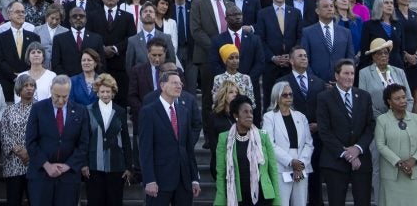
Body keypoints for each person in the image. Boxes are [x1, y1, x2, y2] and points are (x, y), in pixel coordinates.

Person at [136, 66, 200, 206]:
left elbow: (188, 148)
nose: (179, 86)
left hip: (183, 180)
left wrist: (194, 178)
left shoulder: (184, 111)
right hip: (159, 180)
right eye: (174, 83)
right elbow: (145, 149)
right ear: (162, 85)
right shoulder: (149, 112)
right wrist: (149, 179)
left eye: (180, 83)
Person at [313, 60, 374, 206]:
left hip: (361, 162)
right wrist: (348, 154)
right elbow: (324, 130)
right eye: (346, 73)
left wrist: (358, 149)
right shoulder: (324, 98)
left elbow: (370, 126)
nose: (350, 77)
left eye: (352, 73)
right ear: (337, 76)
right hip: (335, 162)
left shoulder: (364, 96)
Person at [25, 76, 88, 206]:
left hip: (69, 178)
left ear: (69, 93)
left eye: (64, 96)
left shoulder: (80, 111)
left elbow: (84, 143)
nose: (60, 100)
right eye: (57, 96)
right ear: (51, 90)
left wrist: (67, 166)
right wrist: (46, 165)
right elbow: (31, 141)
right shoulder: (38, 108)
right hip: (41, 175)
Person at [214, 94, 278, 206]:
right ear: (235, 115)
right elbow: (221, 173)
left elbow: (273, 170)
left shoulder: (263, 136)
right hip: (238, 197)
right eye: (245, 112)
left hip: (263, 197)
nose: (250, 115)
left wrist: (277, 201)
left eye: (251, 112)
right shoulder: (224, 138)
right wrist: (220, 200)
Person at [374, 83, 417, 206]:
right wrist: (400, 163)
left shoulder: (416, 119)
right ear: (389, 102)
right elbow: (381, 145)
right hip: (391, 175)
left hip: (413, 173)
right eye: (397, 98)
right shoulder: (382, 120)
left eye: (403, 97)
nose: (402, 101)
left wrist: (414, 160)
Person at [83, 73, 132, 206]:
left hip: (116, 164)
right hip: (94, 165)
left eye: (108, 91)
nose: (105, 94)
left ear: (113, 93)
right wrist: (84, 163)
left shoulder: (120, 111)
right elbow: (84, 139)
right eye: (102, 91)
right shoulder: (88, 110)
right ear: (97, 93)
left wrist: (128, 166)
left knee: (114, 201)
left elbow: (126, 139)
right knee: (95, 201)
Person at [264, 81, 313, 206]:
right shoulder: (269, 117)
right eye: (284, 95)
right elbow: (270, 144)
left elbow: (309, 143)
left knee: (300, 203)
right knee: (281, 203)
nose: (289, 97)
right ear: (277, 97)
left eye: (290, 94)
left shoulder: (301, 117)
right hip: (281, 166)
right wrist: (291, 162)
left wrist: (300, 163)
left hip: (302, 164)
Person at [0, 74, 36, 206]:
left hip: (34, 163)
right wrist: (18, 150)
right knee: (13, 201)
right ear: (19, 88)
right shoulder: (9, 110)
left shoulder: (42, 108)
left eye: (32, 85)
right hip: (13, 163)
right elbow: (3, 133)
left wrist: (29, 152)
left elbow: (45, 134)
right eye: (26, 85)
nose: (29, 88)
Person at [388, 0, 417, 113]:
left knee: (416, 96)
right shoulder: (392, 15)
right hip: (399, 58)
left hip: (416, 60)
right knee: (399, 93)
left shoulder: (416, 15)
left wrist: (416, 55)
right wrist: (405, 55)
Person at [358, 38, 409, 119]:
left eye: (386, 53)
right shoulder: (364, 73)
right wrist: (384, 119)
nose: (383, 55)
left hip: (401, 118)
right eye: (379, 53)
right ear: (373, 56)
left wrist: (402, 115)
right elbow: (364, 101)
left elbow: (409, 98)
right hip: (377, 120)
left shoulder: (399, 72)